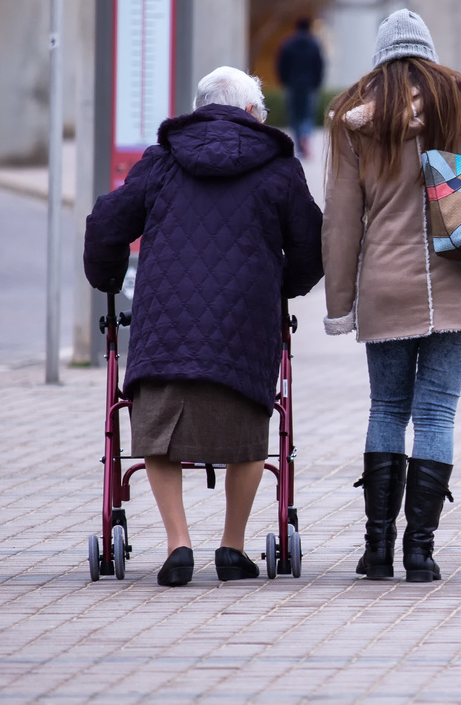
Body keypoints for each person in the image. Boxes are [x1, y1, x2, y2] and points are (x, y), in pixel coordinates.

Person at [83, 66, 324, 586]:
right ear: (252, 112)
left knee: (156, 431)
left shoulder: (162, 160)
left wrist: (107, 278)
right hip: (245, 323)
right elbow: (310, 245)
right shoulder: (279, 166)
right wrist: (282, 286)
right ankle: (232, 547)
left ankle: (179, 545)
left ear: (200, 108)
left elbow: (106, 222)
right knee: (250, 430)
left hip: (164, 323)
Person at [322, 9, 461, 583]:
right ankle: (420, 552)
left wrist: (339, 306)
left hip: (387, 285)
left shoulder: (353, 114)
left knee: (387, 409)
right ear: (428, 51)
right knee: (436, 412)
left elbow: (341, 219)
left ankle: (377, 550)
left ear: (380, 56)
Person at [277, 17, 326, 159]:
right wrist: (317, 83)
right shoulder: (314, 44)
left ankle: (299, 146)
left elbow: (281, 64)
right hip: (309, 85)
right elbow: (320, 65)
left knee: (295, 116)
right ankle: (306, 135)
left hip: (293, 85)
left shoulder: (288, 43)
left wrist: (284, 81)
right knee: (307, 115)